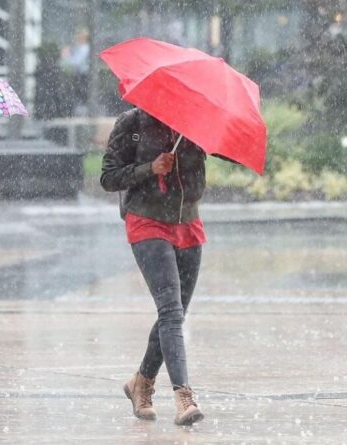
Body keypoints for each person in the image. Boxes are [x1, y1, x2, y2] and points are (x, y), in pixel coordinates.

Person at [100, 108, 207, 426]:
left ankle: (141, 382)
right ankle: (183, 397)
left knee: (174, 314)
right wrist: (151, 167)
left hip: (187, 223)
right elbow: (108, 177)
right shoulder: (132, 123)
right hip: (146, 221)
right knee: (171, 312)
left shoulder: (194, 124)